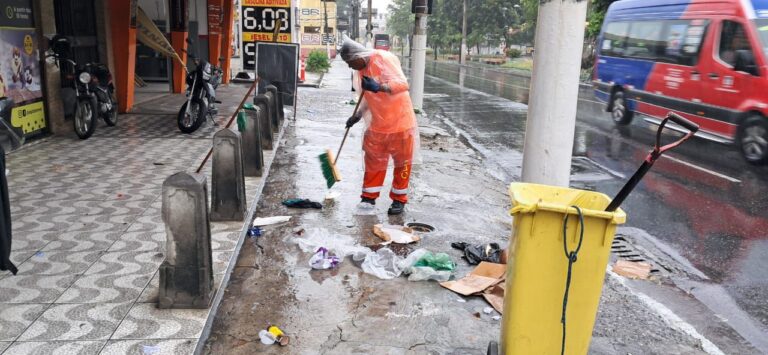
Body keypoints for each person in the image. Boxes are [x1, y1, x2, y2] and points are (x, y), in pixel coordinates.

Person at [340, 38, 417, 215]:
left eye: (350, 62)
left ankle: (399, 200)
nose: (350, 67)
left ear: (358, 55)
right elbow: (367, 98)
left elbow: (403, 84)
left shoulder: (382, 59)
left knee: (402, 164)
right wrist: (357, 116)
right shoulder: (360, 71)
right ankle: (368, 197)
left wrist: (379, 86)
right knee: (373, 162)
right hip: (378, 125)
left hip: (400, 122)